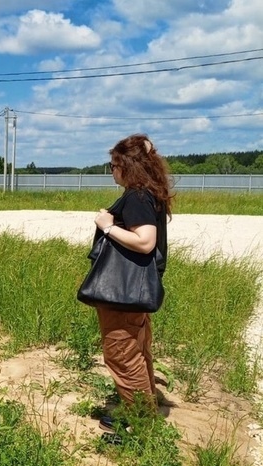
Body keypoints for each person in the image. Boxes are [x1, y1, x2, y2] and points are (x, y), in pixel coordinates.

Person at [92, 134, 173, 436]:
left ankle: (140, 429)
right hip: (131, 291)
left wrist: (107, 226)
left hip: (122, 293)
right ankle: (142, 412)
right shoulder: (147, 192)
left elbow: (145, 241)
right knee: (137, 351)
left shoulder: (138, 196)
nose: (112, 170)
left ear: (127, 167)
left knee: (122, 354)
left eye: (113, 165)